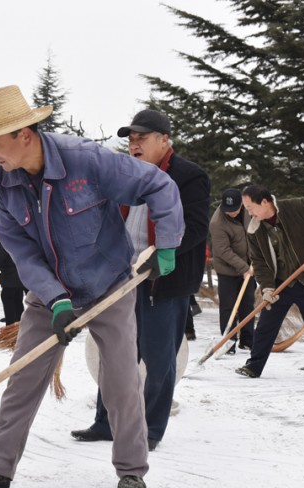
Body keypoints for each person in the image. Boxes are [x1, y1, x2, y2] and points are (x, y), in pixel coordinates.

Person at [0, 86, 184, 488]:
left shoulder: (84, 160)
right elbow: (22, 252)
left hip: (109, 283)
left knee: (122, 378)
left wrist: (167, 243)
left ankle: (132, 468)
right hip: (51, 293)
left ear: (25, 135)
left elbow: (159, 187)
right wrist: (55, 299)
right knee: (23, 377)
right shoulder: (3, 187)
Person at [70, 109, 210, 452]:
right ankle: (105, 422)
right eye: (131, 139)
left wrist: (160, 253)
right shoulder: (123, 176)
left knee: (159, 359)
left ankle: (150, 429)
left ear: (164, 140)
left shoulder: (189, 176)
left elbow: (195, 228)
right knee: (114, 354)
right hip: (120, 279)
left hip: (163, 280)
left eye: (142, 138)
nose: (134, 145)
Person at [235, 184, 304, 383]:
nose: (248, 212)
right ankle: (253, 366)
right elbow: (259, 262)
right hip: (280, 285)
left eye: (250, 207)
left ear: (265, 202)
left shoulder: (297, 207)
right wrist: (267, 287)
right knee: (266, 326)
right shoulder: (255, 230)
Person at [209, 188, 256, 353]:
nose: (232, 213)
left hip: (249, 266)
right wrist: (243, 268)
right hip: (227, 270)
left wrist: (254, 261)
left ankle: (248, 340)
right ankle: (228, 342)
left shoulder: (249, 211)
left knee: (247, 304)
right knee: (229, 307)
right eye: (228, 211)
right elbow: (223, 251)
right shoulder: (217, 222)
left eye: (235, 210)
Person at [0, 225, 27, 325]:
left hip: (11, 275)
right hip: (20, 274)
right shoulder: (13, 235)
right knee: (17, 299)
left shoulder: (5, 240)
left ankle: (10, 325)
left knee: (7, 298)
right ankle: (18, 325)